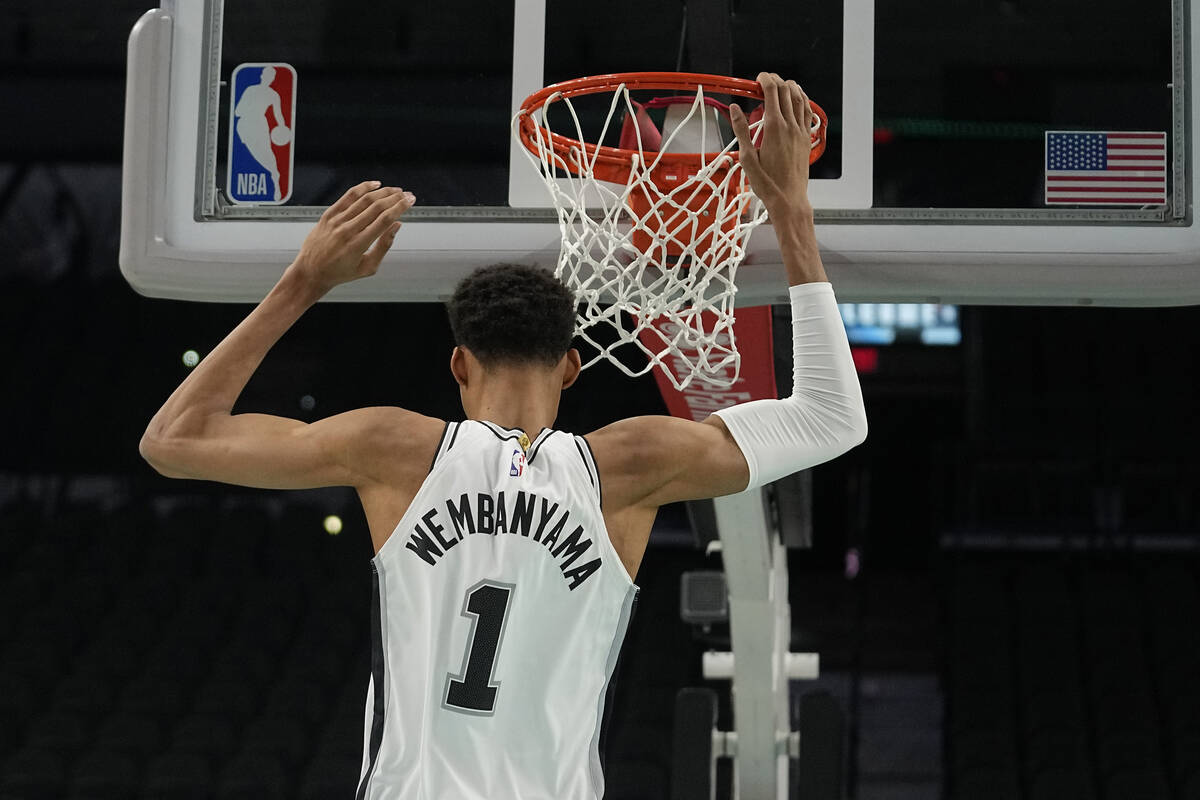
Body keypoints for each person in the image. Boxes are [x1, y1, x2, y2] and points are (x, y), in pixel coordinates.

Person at [139, 73, 867, 800]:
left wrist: (304, 281)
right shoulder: (625, 466)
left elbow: (173, 438)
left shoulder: (396, 450)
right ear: (574, 368)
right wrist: (789, 212)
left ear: (458, 362)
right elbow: (834, 417)